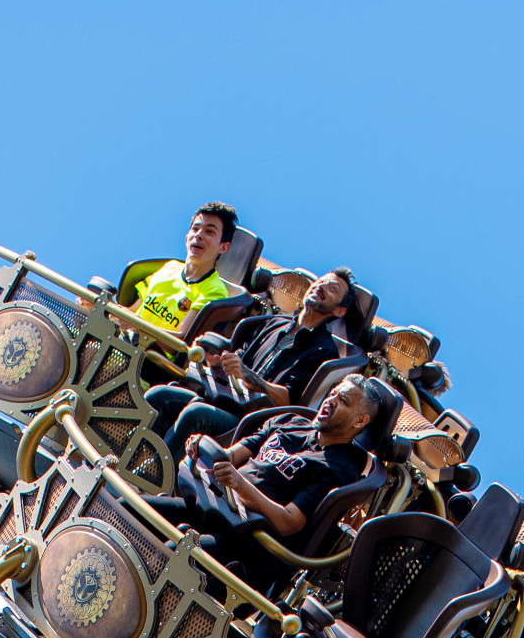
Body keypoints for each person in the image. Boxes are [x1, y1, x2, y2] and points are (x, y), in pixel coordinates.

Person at [153, 374, 383, 578]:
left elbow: (288, 522)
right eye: (332, 393)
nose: (330, 400)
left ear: (360, 421)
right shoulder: (290, 421)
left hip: (244, 542)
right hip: (213, 506)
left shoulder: (339, 470)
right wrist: (202, 445)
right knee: (136, 510)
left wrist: (239, 484)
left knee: (167, 554)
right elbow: (230, 455)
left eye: (343, 400)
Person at [145, 270, 354, 454]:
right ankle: (133, 459)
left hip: (249, 422)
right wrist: (215, 360)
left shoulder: (324, 350)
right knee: (158, 395)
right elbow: (237, 359)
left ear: (339, 311)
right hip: (221, 398)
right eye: (320, 281)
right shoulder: (273, 324)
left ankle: (153, 477)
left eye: (332, 288)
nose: (320, 286)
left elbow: (289, 401)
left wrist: (248, 375)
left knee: (194, 414)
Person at [128, 203, 238, 334]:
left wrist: (135, 325)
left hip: (149, 346)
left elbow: (179, 340)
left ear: (223, 247)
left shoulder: (214, 291)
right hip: (124, 339)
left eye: (209, 231)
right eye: (195, 229)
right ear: (186, 238)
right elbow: (132, 311)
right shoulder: (170, 267)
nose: (199, 235)